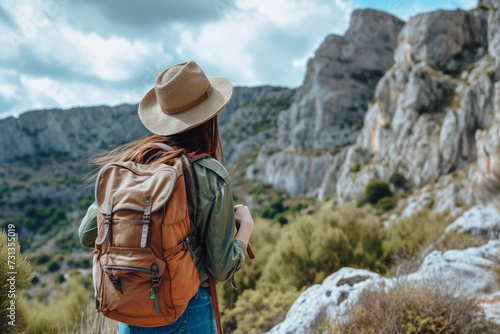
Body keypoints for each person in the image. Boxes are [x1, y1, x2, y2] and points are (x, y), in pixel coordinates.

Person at [78, 60, 255, 334]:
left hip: (129, 307)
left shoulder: (130, 166)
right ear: (209, 117)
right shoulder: (209, 173)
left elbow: (87, 234)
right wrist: (245, 230)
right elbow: (221, 269)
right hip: (187, 308)